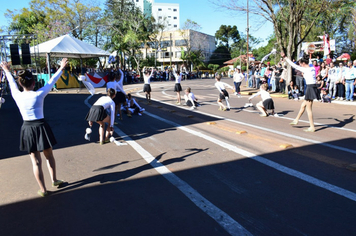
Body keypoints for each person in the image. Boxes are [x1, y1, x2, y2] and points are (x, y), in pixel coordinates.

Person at [0, 59, 68, 197]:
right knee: (49, 156)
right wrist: (61, 68)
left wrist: (6, 70)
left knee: (36, 161)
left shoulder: (17, 95)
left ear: (21, 83)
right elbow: (52, 81)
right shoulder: (39, 94)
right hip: (42, 127)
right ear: (33, 83)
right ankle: (54, 180)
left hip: (28, 128)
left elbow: (12, 84)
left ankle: (43, 190)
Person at [282, 51, 318, 132]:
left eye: (301, 63)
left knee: (309, 109)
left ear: (303, 63)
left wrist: (285, 57)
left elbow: (293, 65)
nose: (300, 65)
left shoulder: (305, 69)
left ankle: (312, 127)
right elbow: (310, 61)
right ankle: (296, 120)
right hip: (312, 87)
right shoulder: (312, 67)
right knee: (303, 105)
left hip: (310, 87)